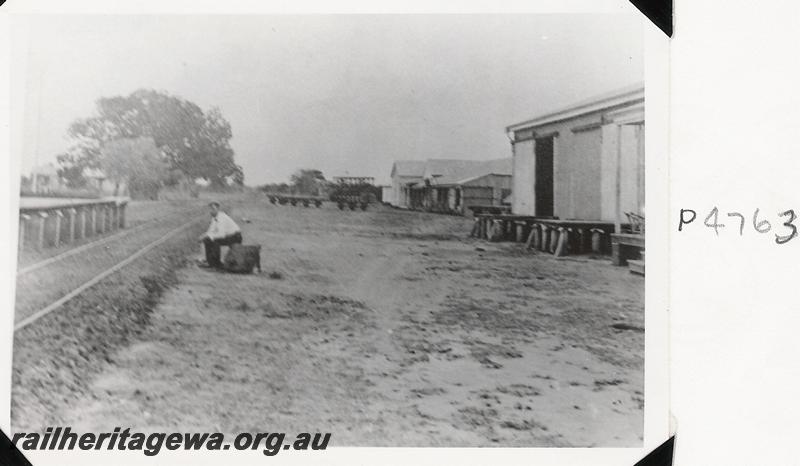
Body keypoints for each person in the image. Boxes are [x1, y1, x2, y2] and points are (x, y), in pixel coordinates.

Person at [199, 202, 242, 268]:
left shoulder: (222, 217)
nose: (211, 211)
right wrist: (204, 235)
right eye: (210, 209)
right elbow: (211, 230)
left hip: (236, 237)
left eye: (213, 209)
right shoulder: (214, 218)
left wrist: (209, 236)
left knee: (215, 241)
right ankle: (210, 262)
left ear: (218, 209)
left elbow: (221, 235)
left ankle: (217, 264)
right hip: (229, 236)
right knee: (207, 240)